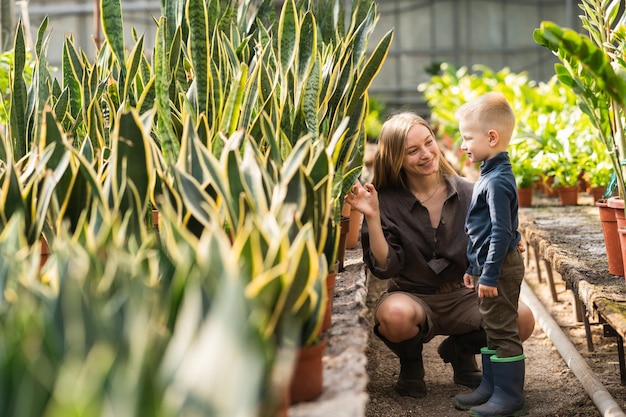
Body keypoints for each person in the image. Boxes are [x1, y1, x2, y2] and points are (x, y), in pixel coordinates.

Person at [343, 111, 535, 399]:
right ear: (395, 158)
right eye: (412, 151)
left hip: (465, 294)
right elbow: (384, 268)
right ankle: (411, 364)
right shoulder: (382, 200)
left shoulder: (470, 191)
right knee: (395, 316)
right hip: (412, 295)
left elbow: (496, 233)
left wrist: (509, 241)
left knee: (522, 319)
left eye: (428, 142)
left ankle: (461, 349)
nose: (426, 154)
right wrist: (372, 216)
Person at [453, 92, 527, 416]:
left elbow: (500, 231)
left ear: (492, 137)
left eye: (468, 137)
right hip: (488, 265)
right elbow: (490, 226)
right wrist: (474, 266)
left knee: (503, 329)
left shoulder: (496, 180)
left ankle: (509, 397)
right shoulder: (489, 172)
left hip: (499, 267)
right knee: (491, 325)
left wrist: (491, 273)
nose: (463, 145)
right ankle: (491, 386)